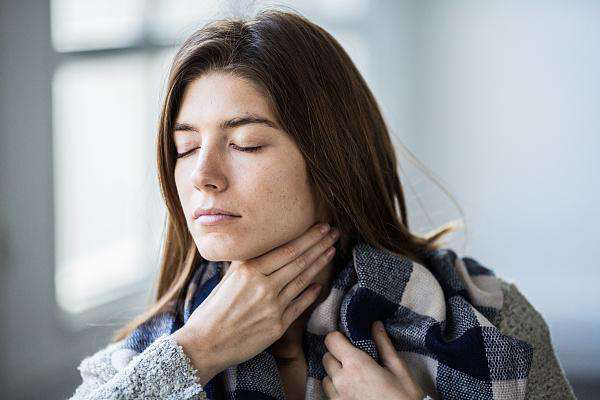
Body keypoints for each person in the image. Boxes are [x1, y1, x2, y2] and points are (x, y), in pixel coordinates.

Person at [68, 7, 576, 400]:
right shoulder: (141, 358)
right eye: (185, 148)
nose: (203, 176)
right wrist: (196, 352)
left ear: (332, 162)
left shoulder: (495, 320)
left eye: (244, 144)